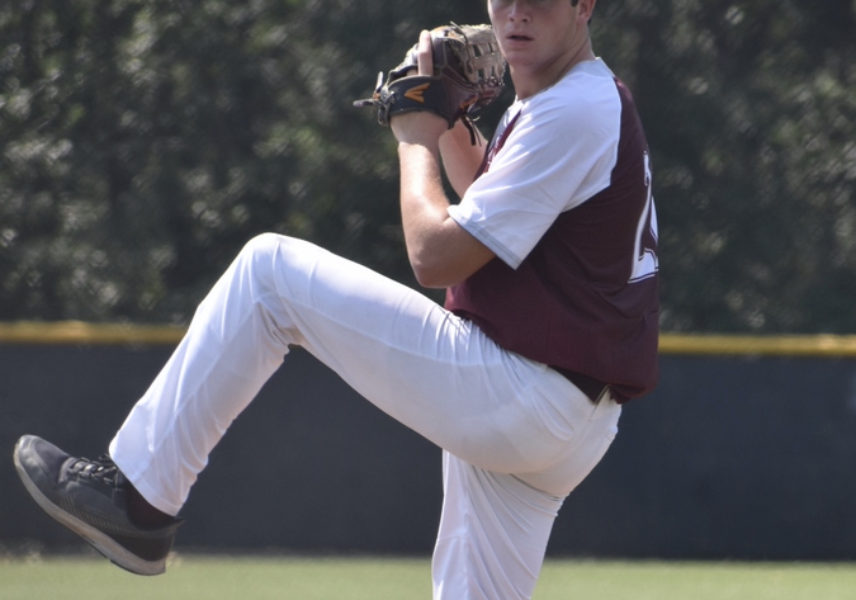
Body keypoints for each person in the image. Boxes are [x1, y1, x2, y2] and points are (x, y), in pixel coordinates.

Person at [12, 0, 659, 597]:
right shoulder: (572, 100)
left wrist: (415, 137)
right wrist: (451, 119)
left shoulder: (571, 109)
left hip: (525, 393)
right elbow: (490, 210)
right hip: (565, 416)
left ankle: (139, 500)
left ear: (583, 4)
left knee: (270, 276)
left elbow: (435, 254)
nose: (515, 13)